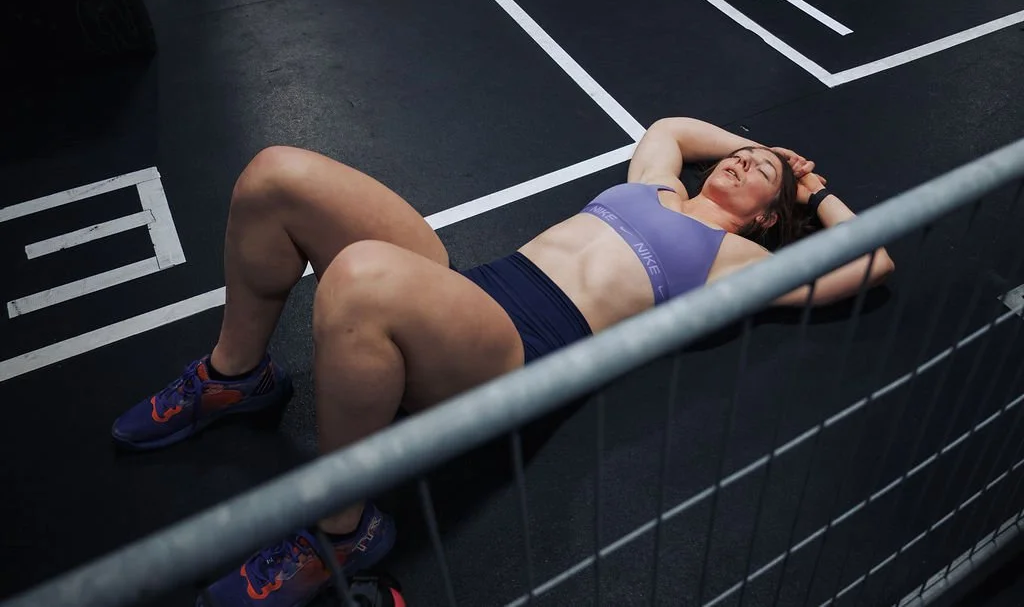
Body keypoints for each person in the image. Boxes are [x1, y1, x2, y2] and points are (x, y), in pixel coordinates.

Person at [110, 117, 895, 606]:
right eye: (744, 153)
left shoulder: (737, 262)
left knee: (357, 282)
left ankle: (340, 533)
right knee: (276, 172)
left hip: (524, 354)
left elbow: (874, 263)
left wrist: (813, 191)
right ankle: (235, 375)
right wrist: (767, 150)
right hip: (472, 295)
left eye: (760, 172)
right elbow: (672, 129)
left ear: (767, 218)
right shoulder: (653, 186)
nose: (742, 162)